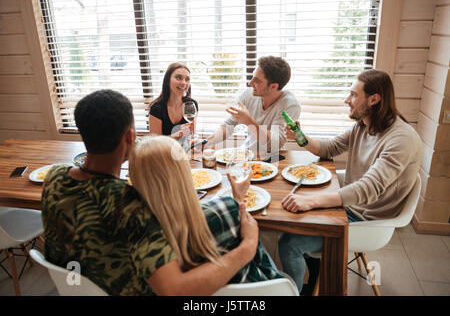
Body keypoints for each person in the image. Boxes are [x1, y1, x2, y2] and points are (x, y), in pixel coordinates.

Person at [41, 89, 259, 296]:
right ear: (130, 136)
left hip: (73, 288)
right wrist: (247, 247)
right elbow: (174, 291)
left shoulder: (54, 177)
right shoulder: (132, 207)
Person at [277, 69, 423, 295]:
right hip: (349, 206)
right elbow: (330, 147)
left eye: (354, 95)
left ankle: (294, 291)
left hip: (368, 220)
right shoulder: (364, 125)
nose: (347, 100)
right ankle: (312, 272)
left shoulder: (401, 139)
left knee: (289, 243)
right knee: (288, 219)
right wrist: (300, 135)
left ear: (374, 99)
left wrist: (314, 201)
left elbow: (370, 187)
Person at [129, 135, 285, 283]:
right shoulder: (222, 211)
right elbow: (266, 268)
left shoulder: (138, 232)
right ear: (184, 174)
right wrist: (238, 201)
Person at [204, 56, 301, 155]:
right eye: (252, 77)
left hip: (272, 158)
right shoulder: (248, 94)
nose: (250, 83)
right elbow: (229, 125)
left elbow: (275, 144)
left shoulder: (290, 105)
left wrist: (249, 122)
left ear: (273, 86)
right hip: (247, 153)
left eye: (257, 81)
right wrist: (207, 142)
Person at [148, 62, 197, 140]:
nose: (184, 83)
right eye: (178, 78)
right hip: (164, 152)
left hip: (185, 151)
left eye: (187, 79)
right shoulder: (156, 108)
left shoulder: (191, 104)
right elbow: (155, 143)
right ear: (167, 81)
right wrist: (177, 135)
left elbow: (191, 136)